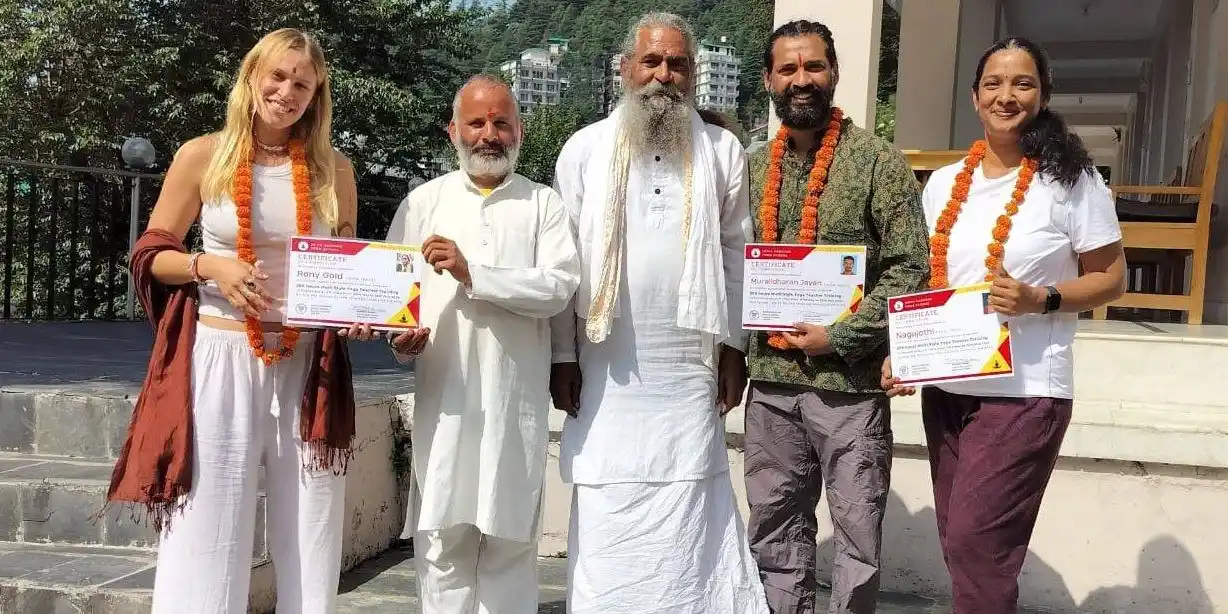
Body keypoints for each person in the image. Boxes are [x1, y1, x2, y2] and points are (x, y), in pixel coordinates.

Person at [108, 28, 375, 613]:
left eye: (302, 84)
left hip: (307, 366)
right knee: (207, 526)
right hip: (221, 356)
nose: (287, 92)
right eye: (277, 76)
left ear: (317, 95)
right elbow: (151, 254)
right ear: (252, 77)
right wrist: (209, 266)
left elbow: (346, 267)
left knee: (312, 526)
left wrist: (355, 315)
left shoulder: (334, 169)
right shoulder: (204, 155)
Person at [882, 37, 1126, 614]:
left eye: (1022, 83)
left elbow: (1113, 277)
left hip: (1026, 391)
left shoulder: (1072, 182)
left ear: (1043, 95)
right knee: (962, 544)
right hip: (950, 389)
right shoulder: (944, 184)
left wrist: (1042, 297)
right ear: (975, 96)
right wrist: (906, 355)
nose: (1006, 95)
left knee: (977, 543)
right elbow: (933, 283)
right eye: (993, 83)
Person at [548, 12, 769, 614]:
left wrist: (734, 347)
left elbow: (737, 253)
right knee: (606, 497)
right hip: (604, 363)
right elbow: (564, 261)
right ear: (625, 68)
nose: (663, 75)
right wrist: (563, 355)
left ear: (693, 74)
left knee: (689, 498)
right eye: (651, 61)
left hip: (688, 367)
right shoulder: (584, 149)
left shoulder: (723, 150)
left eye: (677, 63)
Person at [744, 20, 930, 614]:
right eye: (788, 69)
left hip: (850, 387)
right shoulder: (751, 168)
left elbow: (910, 267)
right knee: (773, 529)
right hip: (770, 384)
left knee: (857, 537)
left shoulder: (878, 162)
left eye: (814, 66)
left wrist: (840, 335)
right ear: (769, 79)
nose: (802, 80)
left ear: (834, 73)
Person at [385, 74, 581, 613]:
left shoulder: (543, 204)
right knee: (442, 540)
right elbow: (396, 302)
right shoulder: (423, 203)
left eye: (501, 122)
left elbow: (558, 287)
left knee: (511, 540)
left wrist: (473, 273)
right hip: (444, 398)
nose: (489, 134)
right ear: (453, 130)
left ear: (520, 129)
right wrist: (402, 343)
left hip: (514, 400)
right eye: (476, 122)